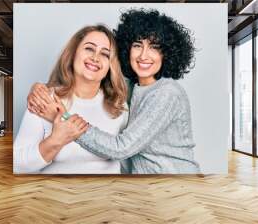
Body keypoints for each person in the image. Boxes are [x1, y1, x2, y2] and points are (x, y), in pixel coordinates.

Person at [29, 9, 200, 174]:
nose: (143, 55)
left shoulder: (167, 93)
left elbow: (121, 148)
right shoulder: (132, 87)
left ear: (167, 54)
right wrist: (41, 89)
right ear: (127, 49)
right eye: (137, 45)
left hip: (176, 183)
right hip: (147, 188)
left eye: (154, 47)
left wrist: (63, 118)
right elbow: (91, 78)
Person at [14, 24, 129, 174]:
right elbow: (17, 163)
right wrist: (55, 141)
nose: (95, 57)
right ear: (74, 53)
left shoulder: (119, 106)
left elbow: (128, 158)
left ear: (110, 66)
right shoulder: (45, 99)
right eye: (89, 48)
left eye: (105, 54)